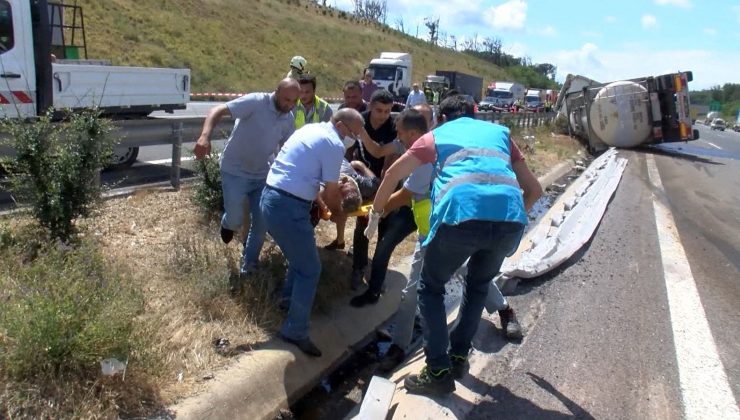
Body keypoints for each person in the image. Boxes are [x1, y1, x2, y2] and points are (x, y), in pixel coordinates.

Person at [365, 95, 543, 396]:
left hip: (461, 217)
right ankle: (458, 359)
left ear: (443, 117)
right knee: (477, 287)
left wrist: (375, 214)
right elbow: (534, 189)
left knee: (430, 288)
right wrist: (512, 219)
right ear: (475, 114)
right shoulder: (500, 133)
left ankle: (438, 371)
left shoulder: (438, 134)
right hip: (509, 220)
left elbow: (394, 173)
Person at [260, 108, 366, 357]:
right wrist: (341, 213)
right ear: (341, 127)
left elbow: (310, 178)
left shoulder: (311, 129)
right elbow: (330, 193)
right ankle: (295, 330)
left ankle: (287, 301)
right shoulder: (332, 144)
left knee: (300, 262)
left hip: (273, 198)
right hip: (288, 206)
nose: (353, 139)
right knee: (310, 269)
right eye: (354, 133)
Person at [194, 78, 299, 281]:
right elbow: (217, 110)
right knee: (235, 218)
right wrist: (204, 136)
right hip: (234, 171)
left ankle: (248, 265)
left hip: (261, 175)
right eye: (286, 99)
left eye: (294, 101)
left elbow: (288, 149)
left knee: (261, 223)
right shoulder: (255, 102)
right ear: (276, 91)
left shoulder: (288, 118)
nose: (289, 105)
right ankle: (227, 223)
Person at [348, 108, 426, 307]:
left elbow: (405, 195)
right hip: (411, 206)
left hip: (422, 209)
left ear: (413, 133)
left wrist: (378, 210)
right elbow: (378, 151)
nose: (397, 137)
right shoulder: (407, 145)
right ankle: (374, 289)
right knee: (384, 244)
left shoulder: (427, 152)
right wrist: (362, 132)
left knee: (386, 247)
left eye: (399, 132)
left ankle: (376, 292)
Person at [347, 89, 397, 290]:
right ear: (370, 107)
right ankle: (358, 268)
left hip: (387, 180)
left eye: (387, 111)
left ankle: (378, 273)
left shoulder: (393, 127)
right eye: (379, 110)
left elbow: (389, 163)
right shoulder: (360, 121)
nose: (383, 115)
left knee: (385, 230)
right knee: (363, 226)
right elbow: (349, 148)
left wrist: (382, 190)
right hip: (361, 177)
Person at [323, 159, 379, 250]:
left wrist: (361, 166)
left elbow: (377, 184)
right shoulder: (326, 182)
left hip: (343, 176)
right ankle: (340, 241)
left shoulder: (365, 186)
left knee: (340, 208)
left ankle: (340, 241)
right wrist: (361, 166)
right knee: (339, 208)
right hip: (334, 163)